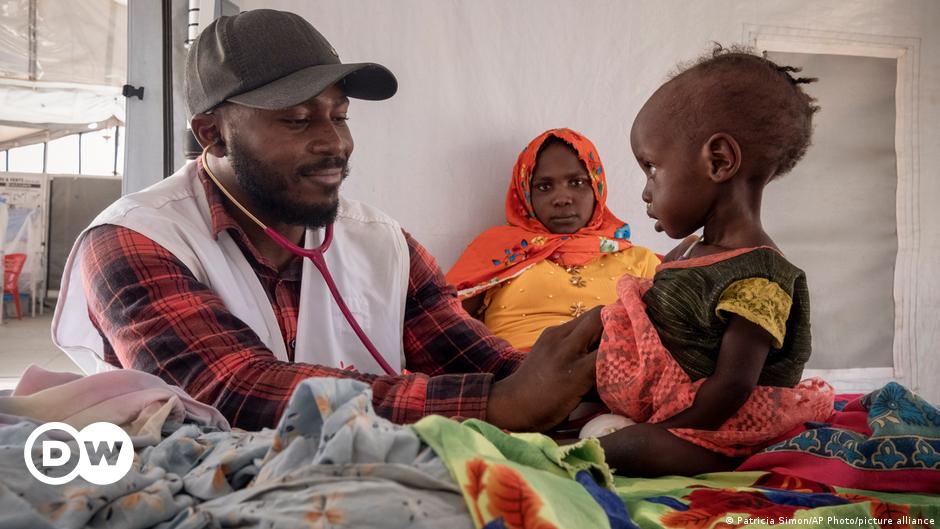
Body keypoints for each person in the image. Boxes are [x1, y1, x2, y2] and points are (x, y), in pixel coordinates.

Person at [51, 9, 601, 433]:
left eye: (339, 115)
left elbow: (482, 359)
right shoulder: (135, 240)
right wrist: (496, 404)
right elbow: (229, 392)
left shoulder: (384, 244)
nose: (334, 143)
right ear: (212, 134)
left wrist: (597, 378)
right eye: (297, 120)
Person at [590, 46, 835, 476]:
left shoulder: (760, 275)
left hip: (720, 424)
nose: (647, 191)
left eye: (652, 168)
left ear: (718, 161)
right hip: (670, 399)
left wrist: (669, 428)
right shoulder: (689, 250)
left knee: (630, 447)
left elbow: (733, 386)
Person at [446, 128, 660, 351]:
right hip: (518, 380)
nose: (562, 198)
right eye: (544, 187)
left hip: (618, 378)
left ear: (597, 186)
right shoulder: (497, 251)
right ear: (526, 193)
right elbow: (440, 328)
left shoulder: (640, 261)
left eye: (577, 183)